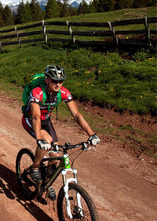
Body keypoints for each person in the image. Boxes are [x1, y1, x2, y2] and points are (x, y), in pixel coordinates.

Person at [21, 65, 100, 200]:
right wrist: (39, 138)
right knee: (46, 142)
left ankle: (46, 182)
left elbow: (76, 115)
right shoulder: (37, 92)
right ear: (47, 80)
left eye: (61, 81)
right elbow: (35, 116)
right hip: (31, 120)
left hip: (45, 120)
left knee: (57, 156)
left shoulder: (63, 92)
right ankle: (34, 168)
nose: (58, 84)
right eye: (55, 81)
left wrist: (91, 134)